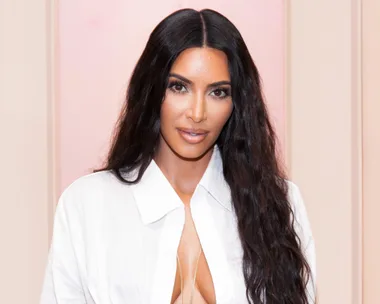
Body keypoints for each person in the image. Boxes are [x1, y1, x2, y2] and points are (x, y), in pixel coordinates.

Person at [40, 8, 316, 304]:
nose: (197, 113)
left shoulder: (278, 203)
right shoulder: (88, 205)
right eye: (179, 87)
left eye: (218, 92)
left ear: (238, 102)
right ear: (152, 90)